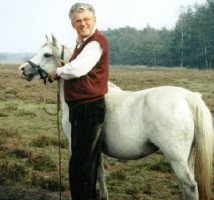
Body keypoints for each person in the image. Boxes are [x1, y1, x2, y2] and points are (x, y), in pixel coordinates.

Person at [48, 3, 109, 200]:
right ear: (73, 24)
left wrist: (57, 72)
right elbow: (77, 66)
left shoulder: (95, 43)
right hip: (81, 108)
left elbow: (78, 69)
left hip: (89, 109)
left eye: (86, 20)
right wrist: (68, 66)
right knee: (82, 163)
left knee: (81, 165)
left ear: (94, 20)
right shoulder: (82, 43)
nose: (82, 24)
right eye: (77, 21)